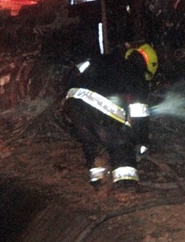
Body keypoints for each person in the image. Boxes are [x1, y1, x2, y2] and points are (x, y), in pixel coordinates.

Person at [62, 43, 158, 187]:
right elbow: (139, 113)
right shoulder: (137, 74)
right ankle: (126, 184)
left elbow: (72, 73)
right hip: (101, 107)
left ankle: (99, 182)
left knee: (91, 143)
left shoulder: (99, 59)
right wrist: (141, 142)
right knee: (121, 143)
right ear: (147, 67)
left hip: (73, 103)